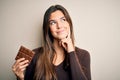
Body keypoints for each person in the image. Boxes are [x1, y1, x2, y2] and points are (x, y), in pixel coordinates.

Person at [12, 5, 91, 80]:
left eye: (63, 19)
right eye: (53, 22)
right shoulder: (35, 55)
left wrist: (71, 52)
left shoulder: (83, 55)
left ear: (69, 23)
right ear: (48, 28)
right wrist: (21, 78)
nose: (59, 26)